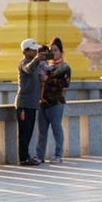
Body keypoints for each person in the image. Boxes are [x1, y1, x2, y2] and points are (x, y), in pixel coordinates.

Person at [36, 37, 71, 164]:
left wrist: (48, 79)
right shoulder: (44, 66)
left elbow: (65, 84)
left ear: (61, 52)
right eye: (51, 50)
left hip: (56, 102)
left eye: (55, 50)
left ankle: (58, 155)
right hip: (43, 102)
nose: (53, 53)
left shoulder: (64, 67)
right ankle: (39, 155)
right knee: (42, 131)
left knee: (57, 129)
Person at [16, 38, 47, 166]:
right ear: (26, 51)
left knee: (29, 132)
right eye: (33, 50)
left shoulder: (35, 64)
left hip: (32, 104)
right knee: (24, 132)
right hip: (24, 104)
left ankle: (26, 156)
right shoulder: (24, 63)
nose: (35, 52)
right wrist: (36, 60)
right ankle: (23, 158)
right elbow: (28, 69)